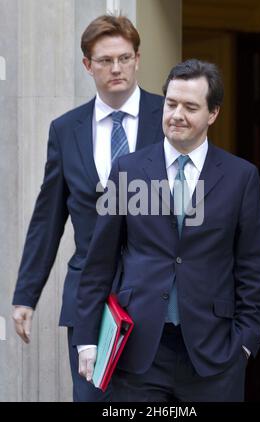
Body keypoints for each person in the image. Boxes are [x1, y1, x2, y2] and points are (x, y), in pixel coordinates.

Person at [73, 59, 260, 402]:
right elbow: (99, 261)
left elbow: (253, 267)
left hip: (214, 356)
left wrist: (246, 343)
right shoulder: (128, 170)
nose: (177, 114)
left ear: (213, 113)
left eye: (190, 106)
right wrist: (88, 337)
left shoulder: (242, 177)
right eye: (171, 103)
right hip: (138, 353)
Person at [11, 14, 164, 402]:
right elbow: (47, 219)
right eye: (105, 60)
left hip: (157, 291)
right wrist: (26, 295)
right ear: (87, 65)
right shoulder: (66, 129)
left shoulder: (167, 118)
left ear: (137, 59)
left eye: (125, 58)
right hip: (89, 299)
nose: (117, 68)